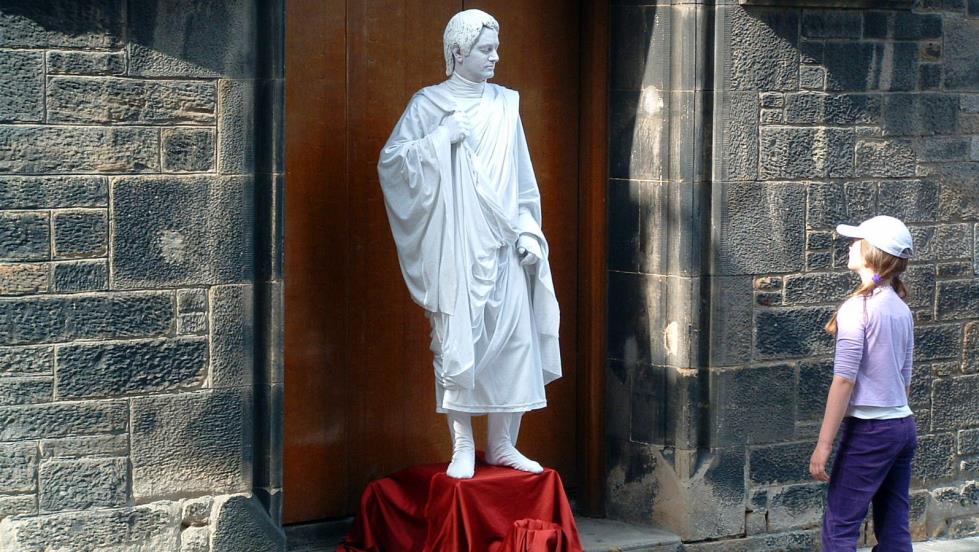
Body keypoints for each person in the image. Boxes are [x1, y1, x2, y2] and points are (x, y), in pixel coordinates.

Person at [377, 9, 561, 480]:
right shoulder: (429, 106)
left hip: (503, 245)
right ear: (458, 52)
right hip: (457, 246)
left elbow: (522, 182)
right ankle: (463, 445)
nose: (495, 56)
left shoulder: (505, 106)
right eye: (486, 49)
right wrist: (439, 140)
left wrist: (526, 230)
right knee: (458, 345)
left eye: (496, 48)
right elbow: (393, 165)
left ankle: (502, 445)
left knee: (514, 344)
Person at [809, 215, 917, 551]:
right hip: (902, 426)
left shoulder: (858, 309)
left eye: (857, 241)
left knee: (840, 528)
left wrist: (824, 445)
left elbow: (843, 380)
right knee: (894, 527)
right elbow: (905, 379)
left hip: (870, 432)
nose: (851, 246)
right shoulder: (900, 309)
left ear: (871, 253)